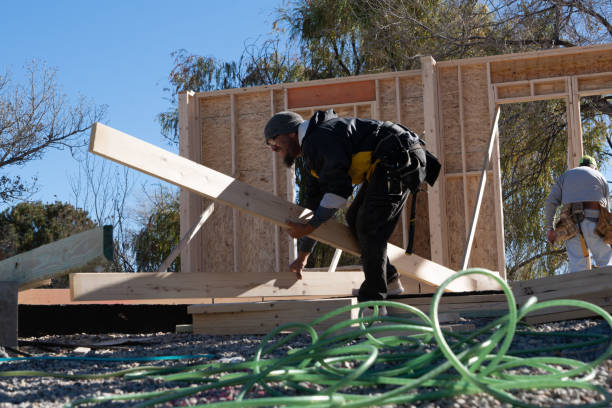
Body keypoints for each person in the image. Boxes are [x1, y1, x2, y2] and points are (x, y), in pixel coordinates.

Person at [264, 109, 439, 309]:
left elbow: (339, 190)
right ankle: (388, 281)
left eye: (273, 141)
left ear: (290, 133)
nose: (273, 148)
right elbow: (313, 207)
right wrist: (303, 256)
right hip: (389, 160)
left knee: (368, 226)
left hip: (396, 158)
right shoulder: (313, 150)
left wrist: (311, 227)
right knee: (355, 218)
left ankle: (373, 300)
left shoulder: (318, 140)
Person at [544, 155, 612, 272]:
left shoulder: (565, 176)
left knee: (577, 268)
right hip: (596, 224)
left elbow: (550, 202)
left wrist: (549, 228)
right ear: (594, 167)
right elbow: (607, 210)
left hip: (571, 225)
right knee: (606, 263)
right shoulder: (600, 176)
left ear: (580, 166)